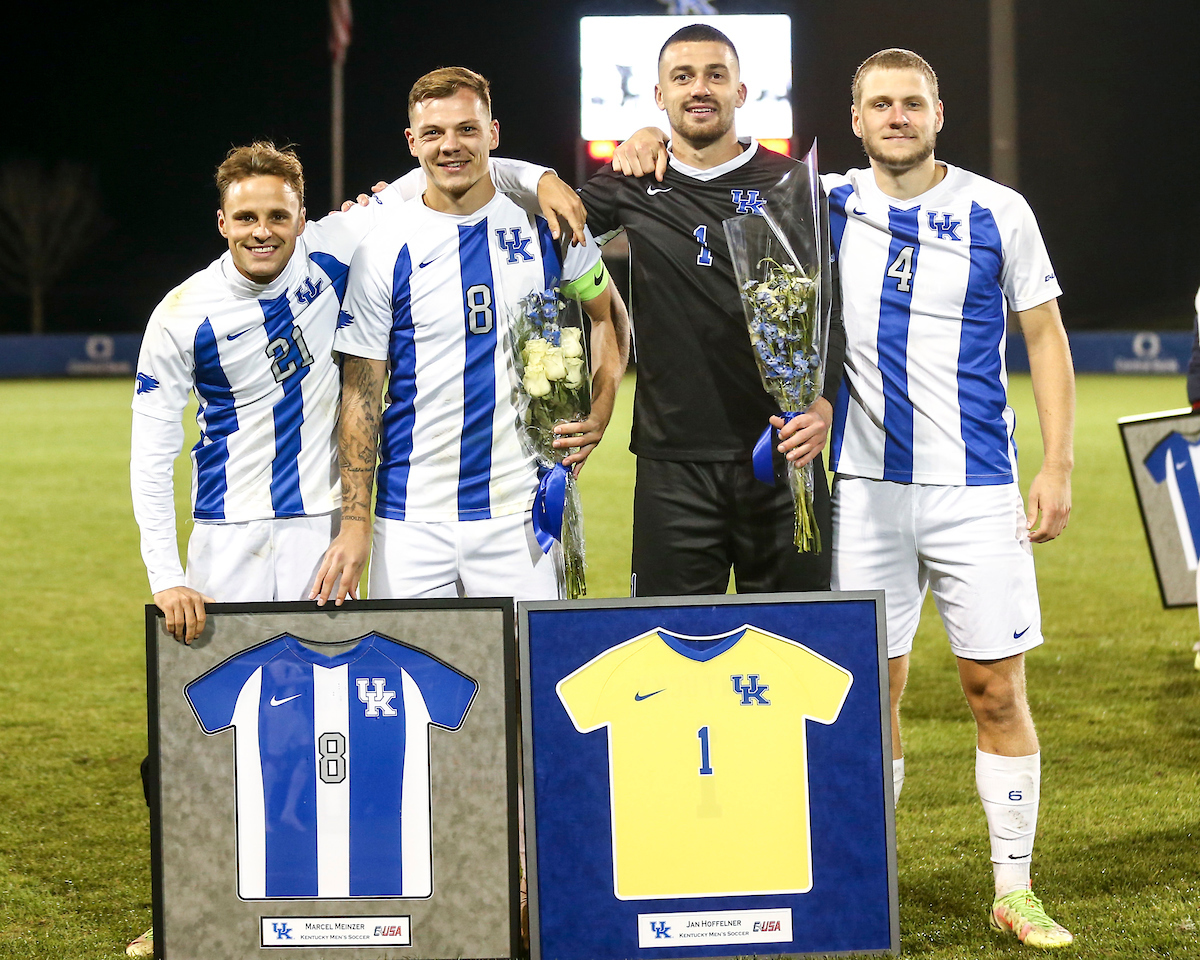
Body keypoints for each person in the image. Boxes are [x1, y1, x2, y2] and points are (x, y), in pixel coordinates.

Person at [614, 45, 1076, 952]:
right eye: (879, 105)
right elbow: (718, 181)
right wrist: (644, 138)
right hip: (858, 489)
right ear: (856, 121)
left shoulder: (997, 210)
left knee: (993, 688)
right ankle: (870, 880)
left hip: (976, 488)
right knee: (868, 694)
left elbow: (1047, 337)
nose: (897, 117)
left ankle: (1014, 888)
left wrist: (1055, 467)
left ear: (939, 113)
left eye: (913, 103)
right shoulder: (818, 202)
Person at [125, 140, 584, 957]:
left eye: (278, 215)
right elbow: (151, 453)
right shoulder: (181, 313)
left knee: (310, 721)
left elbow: (453, 162)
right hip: (224, 543)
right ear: (221, 221)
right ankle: (181, 910)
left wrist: (541, 176)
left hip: (323, 539)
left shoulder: (339, 248)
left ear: (305, 215)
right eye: (246, 218)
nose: (263, 232)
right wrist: (166, 575)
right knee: (198, 729)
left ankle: (325, 891)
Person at [310, 66, 628, 604]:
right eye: (433, 134)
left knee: (525, 680)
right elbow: (361, 395)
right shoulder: (382, 248)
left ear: (493, 134)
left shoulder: (545, 226)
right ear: (412, 142)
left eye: (466, 130)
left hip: (520, 514)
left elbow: (607, 320)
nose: (450, 146)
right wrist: (356, 522)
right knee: (415, 683)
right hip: (409, 519)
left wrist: (600, 409)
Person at [574, 22, 845, 597]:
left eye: (715, 75)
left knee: (793, 650)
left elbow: (831, 315)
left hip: (782, 452)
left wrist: (822, 404)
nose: (700, 88)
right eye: (683, 77)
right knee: (670, 650)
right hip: (672, 467)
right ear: (659, 96)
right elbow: (541, 232)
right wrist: (395, 200)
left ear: (741, 93)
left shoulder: (790, 184)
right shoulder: (631, 182)